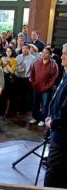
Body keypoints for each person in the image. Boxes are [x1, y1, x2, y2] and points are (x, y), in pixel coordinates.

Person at [44, 43, 67, 188]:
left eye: (65, 54)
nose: (62, 56)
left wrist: (53, 123)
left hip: (61, 136)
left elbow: (66, 110)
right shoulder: (65, 75)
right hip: (57, 128)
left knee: (54, 172)